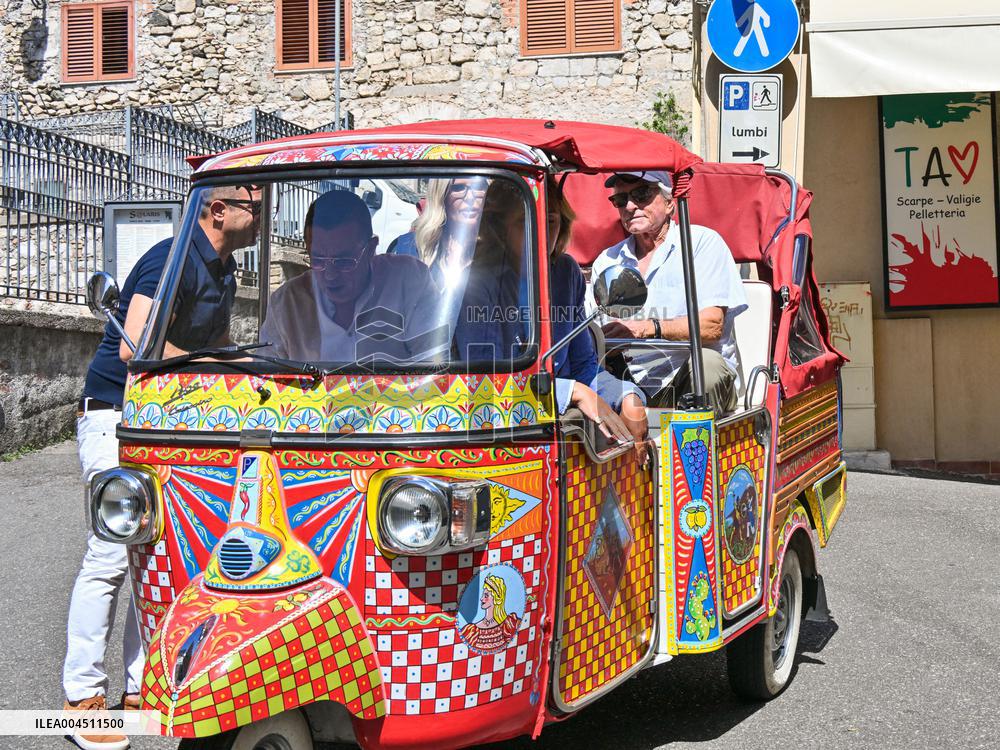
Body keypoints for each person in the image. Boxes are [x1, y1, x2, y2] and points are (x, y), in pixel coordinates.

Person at [65, 183, 260, 750]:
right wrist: (210, 360)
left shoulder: (223, 269)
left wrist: (270, 367)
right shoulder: (170, 258)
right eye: (254, 204)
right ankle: (82, 698)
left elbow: (218, 346)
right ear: (218, 211)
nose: (262, 215)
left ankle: (137, 688)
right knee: (110, 554)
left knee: (163, 553)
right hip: (115, 414)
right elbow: (136, 348)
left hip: (169, 421)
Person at [591, 170, 747, 413]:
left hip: (690, 376)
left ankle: (696, 448)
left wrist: (648, 328)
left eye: (641, 194)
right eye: (620, 200)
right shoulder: (607, 260)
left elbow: (712, 325)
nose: (630, 206)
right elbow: (594, 330)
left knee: (706, 366)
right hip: (629, 380)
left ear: (670, 203)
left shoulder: (702, 243)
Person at [260, 189, 441, 364]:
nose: (330, 275)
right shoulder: (287, 303)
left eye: (343, 261)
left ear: (371, 249)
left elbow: (433, 363)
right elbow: (267, 376)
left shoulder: (409, 282)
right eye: (318, 260)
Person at [546, 176, 648, 451]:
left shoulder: (565, 272)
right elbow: (493, 385)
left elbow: (583, 366)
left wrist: (626, 396)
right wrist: (573, 392)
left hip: (566, 426)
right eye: (525, 221)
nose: (538, 233)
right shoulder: (482, 278)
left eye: (550, 221)